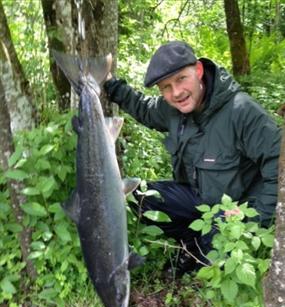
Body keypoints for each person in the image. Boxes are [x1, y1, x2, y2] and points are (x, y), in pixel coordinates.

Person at [104, 41, 281, 276]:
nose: (176, 92)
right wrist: (109, 85)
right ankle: (191, 244)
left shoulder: (241, 111)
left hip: (235, 209)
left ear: (198, 71)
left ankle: (201, 252)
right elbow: (144, 108)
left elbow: (279, 169)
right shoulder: (173, 109)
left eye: (181, 79)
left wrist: (255, 215)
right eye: (166, 87)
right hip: (198, 200)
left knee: (212, 261)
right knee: (137, 196)